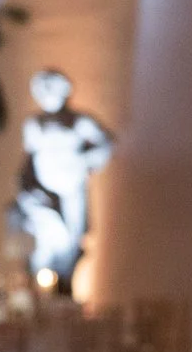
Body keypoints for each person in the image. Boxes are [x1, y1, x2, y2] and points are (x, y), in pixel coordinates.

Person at [11, 68, 114, 287]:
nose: (47, 94)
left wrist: (83, 161)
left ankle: (63, 290)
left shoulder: (78, 122)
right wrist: (24, 185)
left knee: (68, 247)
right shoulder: (34, 124)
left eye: (52, 88)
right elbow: (29, 158)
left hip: (70, 191)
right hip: (43, 194)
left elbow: (105, 143)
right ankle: (41, 292)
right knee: (43, 248)